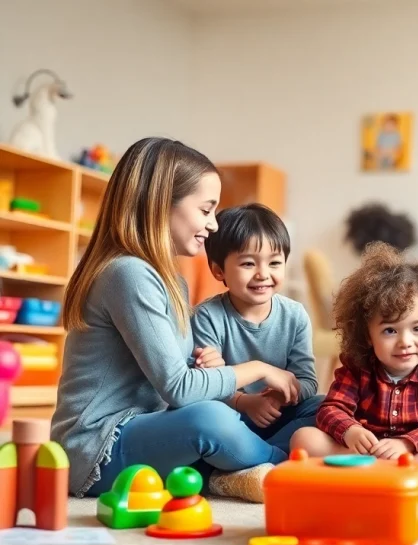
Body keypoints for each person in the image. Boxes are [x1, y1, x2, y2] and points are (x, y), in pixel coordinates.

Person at [51, 137, 301, 501]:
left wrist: (205, 367)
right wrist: (258, 368)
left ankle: (239, 467)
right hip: (97, 447)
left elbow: (175, 379)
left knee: (312, 407)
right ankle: (288, 468)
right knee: (210, 421)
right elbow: (179, 389)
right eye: (206, 210)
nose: (213, 225)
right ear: (161, 204)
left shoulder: (172, 282)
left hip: (146, 429)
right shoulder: (127, 274)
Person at [289, 242, 418, 498]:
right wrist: (350, 430)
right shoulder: (357, 364)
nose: (406, 341)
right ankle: (395, 472)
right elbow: (331, 408)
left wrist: (407, 444)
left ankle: (381, 472)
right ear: (368, 335)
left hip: (415, 449)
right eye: (390, 330)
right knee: (303, 438)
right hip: (365, 450)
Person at [192, 203, 324, 493]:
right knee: (203, 419)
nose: (263, 273)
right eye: (248, 263)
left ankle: (249, 463)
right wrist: (245, 403)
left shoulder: (295, 314)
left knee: (325, 406)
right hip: (232, 419)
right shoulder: (207, 316)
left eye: (274, 263)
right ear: (218, 270)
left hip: (276, 417)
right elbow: (204, 386)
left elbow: (307, 381)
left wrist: (280, 397)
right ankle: (265, 463)